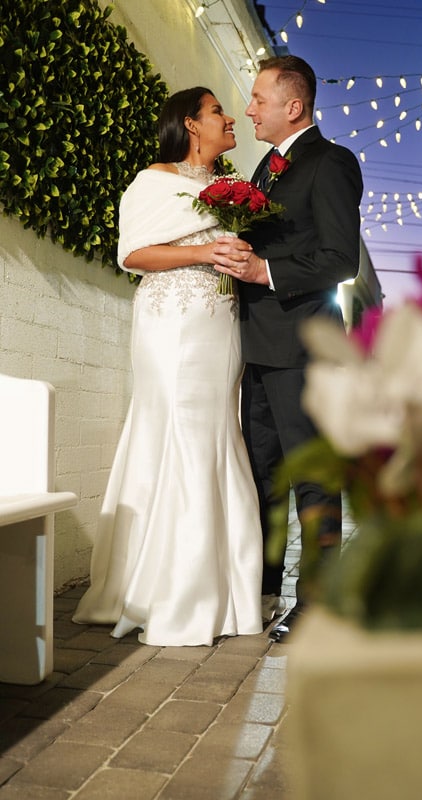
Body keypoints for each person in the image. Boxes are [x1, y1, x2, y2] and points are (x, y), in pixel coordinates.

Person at [73, 87, 263, 646]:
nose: (230, 118)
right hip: (172, 322)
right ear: (190, 125)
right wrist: (204, 252)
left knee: (215, 434)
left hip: (219, 323)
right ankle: (171, 591)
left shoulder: (230, 190)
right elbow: (131, 254)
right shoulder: (153, 181)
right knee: (176, 433)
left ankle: (221, 588)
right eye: (217, 112)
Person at [212, 56, 364, 642]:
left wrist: (261, 269)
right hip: (259, 346)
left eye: (257, 99)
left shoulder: (330, 162)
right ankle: (264, 588)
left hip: (303, 348)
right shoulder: (264, 169)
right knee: (264, 474)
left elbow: (339, 259)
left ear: (292, 106)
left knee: (311, 479)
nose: (247, 109)